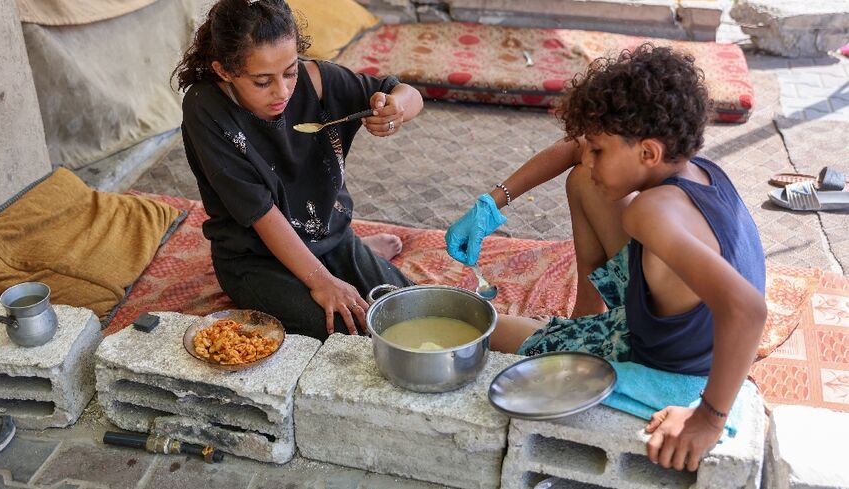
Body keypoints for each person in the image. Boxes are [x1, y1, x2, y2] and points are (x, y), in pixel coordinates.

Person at [445, 44, 767, 472]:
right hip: (686, 327)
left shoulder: (649, 213)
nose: (587, 155)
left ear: (648, 152)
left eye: (599, 149)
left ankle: (585, 338)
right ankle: (586, 311)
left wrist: (707, 418)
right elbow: (573, 150)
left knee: (484, 328)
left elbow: (747, 309)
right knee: (584, 181)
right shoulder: (698, 168)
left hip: (667, 357)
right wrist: (492, 203)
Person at [172, 0, 423, 340]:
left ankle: (352, 255)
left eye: (290, 72)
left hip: (327, 236)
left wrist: (396, 109)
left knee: (413, 309)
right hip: (254, 258)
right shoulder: (206, 107)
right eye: (262, 82)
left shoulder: (317, 81)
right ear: (224, 71)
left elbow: (405, 93)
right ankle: (341, 264)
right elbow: (261, 212)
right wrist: (323, 281)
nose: (283, 91)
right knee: (355, 334)